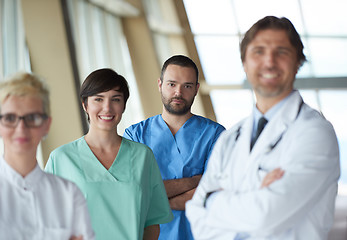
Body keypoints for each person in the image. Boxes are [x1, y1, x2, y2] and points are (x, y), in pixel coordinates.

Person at [186, 16, 340, 239]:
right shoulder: (231, 138)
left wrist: (213, 200)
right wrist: (254, 196)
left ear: (298, 62)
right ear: (245, 64)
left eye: (282, 52)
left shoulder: (315, 134)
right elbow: (196, 217)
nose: (269, 61)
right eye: (258, 51)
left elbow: (264, 214)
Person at [45, 68, 173, 240]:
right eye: (98, 99)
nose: (107, 107)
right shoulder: (61, 159)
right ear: (85, 104)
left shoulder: (143, 157)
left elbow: (152, 222)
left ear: (124, 105)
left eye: (116, 99)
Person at [124, 55, 225, 240]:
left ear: (196, 89)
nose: (178, 92)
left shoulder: (216, 135)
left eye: (187, 86)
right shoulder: (134, 135)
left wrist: (153, 198)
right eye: (172, 84)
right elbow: (134, 192)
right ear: (160, 84)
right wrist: (195, 181)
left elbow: (213, 192)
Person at [0, 72, 94, 240]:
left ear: (46, 125)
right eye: (10, 118)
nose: (21, 128)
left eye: (32, 118)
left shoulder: (68, 195)